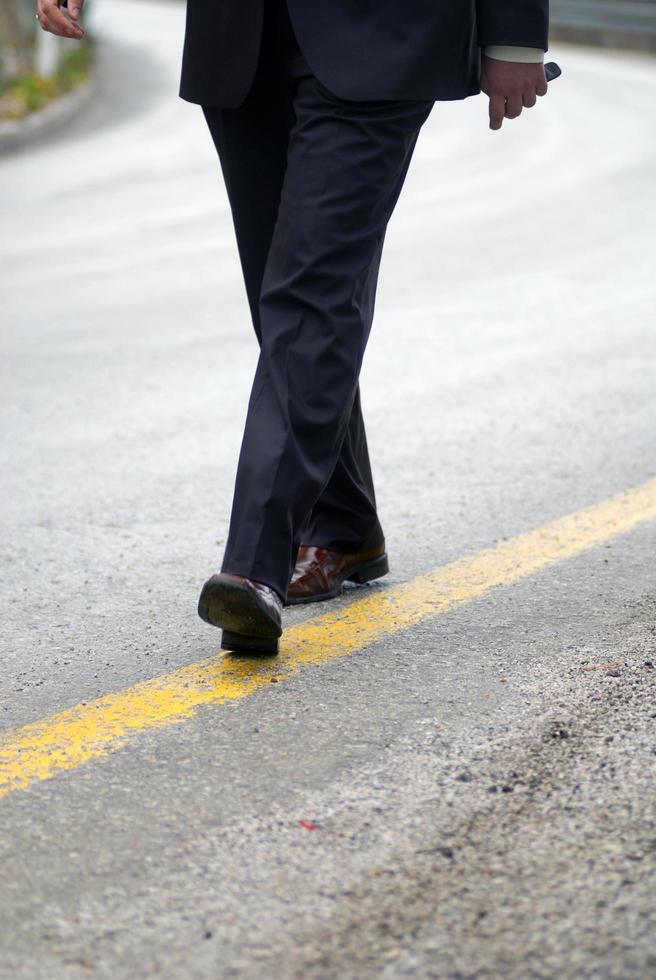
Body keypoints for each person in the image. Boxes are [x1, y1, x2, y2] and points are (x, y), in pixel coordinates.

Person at [37, 0, 550, 655]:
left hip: (384, 34)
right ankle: (345, 525)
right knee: (283, 303)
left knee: (309, 297)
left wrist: (515, 34)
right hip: (240, 34)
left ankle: (254, 566)